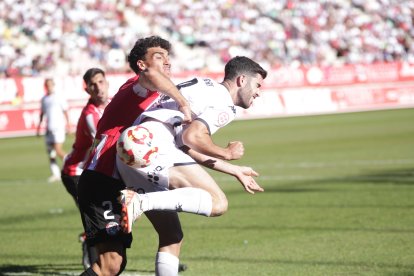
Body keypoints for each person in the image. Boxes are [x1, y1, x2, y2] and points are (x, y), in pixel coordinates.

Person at [116, 56, 267, 275]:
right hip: (155, 145)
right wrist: (227, 152)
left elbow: (185, 146)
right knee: (218, 203)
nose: (258, 92)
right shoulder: (224, 102)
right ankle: (139, 201)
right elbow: (193, 136)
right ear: (242, 80)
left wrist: (234, 170)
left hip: (133, 149)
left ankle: (139, 202)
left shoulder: (204, 85)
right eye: (257, 85)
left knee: (171, 236)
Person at [77, 36, 192, 276]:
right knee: (109, 265)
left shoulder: (157, 98)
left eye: (168, 56)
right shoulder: (136, 87)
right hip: (102, 178)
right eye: (159, 56)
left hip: (128, 182)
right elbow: (152, 76)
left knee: (167, 237)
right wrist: (182, 102)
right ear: (142, 65)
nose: (167, 61)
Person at [60, 68, 109, 269]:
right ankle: (92, 261)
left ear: (106, 82)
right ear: (87, 89)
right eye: (92, 84)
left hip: (91, 171)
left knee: (107, 214)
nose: (98, 87)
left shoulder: (112, 104)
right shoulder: (90, 115)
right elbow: (107, 142)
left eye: (100, 81)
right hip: (75, 172)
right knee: (93, 216)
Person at [36, 78, 70, 183]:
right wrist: (39, 126)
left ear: (53, 85)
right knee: (51, 153)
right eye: (47, 85)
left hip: (58, 127)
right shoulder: (44, 99)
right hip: (48, 129)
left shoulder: (59, 97)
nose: (49, 87)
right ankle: (55, 174)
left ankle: (72, 166)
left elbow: (65, 111)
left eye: (50, 85)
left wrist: (68, 124)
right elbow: (42, 113)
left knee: (58, 149)